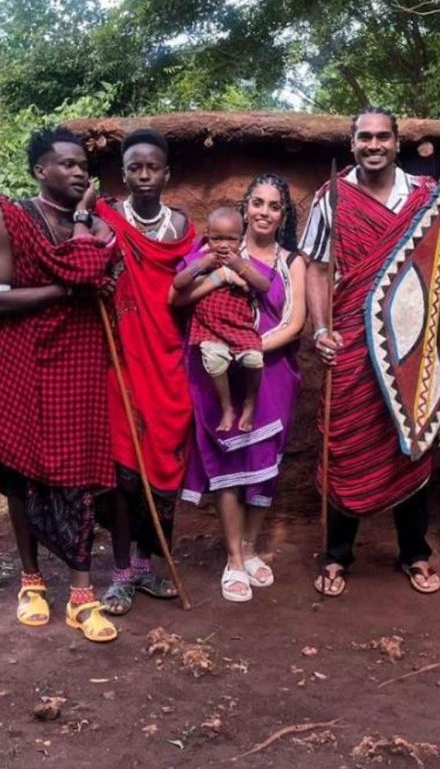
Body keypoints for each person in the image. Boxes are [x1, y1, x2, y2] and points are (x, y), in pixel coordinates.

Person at [0, 126, 121, 643]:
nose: (78, 172)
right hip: (20, 362)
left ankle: (80, 593)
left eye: (82, 166)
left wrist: (80, 230)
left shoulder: (94, 225)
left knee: (78, 472)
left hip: (77, 360)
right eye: (66, 164)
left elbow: (101, 274)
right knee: (22, 473)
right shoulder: (12, 215)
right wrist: (65, 286)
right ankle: (30, 581)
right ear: (40, 171)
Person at [305, 107, 440, 597]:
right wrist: (320, 328)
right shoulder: (332, 197)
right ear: (352, 143)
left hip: (412, 342)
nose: (374, 145)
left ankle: (415, 553)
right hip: (350, 339)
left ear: (397, 142)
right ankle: (337, 555)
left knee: (411, 439)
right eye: (364, 137)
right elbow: (317, 268)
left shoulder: (427, 197)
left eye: (383, 136)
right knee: (346, 438)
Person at [179, 175, 307, 603]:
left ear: (283, 214)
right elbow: (178, 298)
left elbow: (294, 323)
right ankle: (233, 559)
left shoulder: (292, 263)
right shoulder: (219, 251)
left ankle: (251, 548)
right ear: (245, 206)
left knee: (264, 464)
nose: (264, 212)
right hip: (219, 376)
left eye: (274, 205)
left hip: (270, 374)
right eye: (257, 203)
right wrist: (217, 280)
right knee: (227, 463)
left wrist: (246, 346)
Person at [94, 129, 193, 617]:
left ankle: (149, 564)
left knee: (165, 469)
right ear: (124, 173)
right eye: (135, 167)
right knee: (122, 475)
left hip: (170, 364)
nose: (144, 175)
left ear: (167, 173)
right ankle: (121, 574)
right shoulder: (106, 221)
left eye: (153, 167)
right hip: (121, 362)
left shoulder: (185, 231)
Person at [173, 206, 271, 433]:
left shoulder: (243, 261)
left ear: (241, 237)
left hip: (240, 326)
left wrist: (238, 267)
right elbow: (178, 285)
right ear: (207, 235)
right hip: (208, 327)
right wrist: (202, 266)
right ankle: (227, 408)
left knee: (254, 360)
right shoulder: (201, 259)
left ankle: (250, 400)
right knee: (215, 364)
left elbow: (264, 285)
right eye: (217, 238)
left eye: (231, 239)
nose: (224, 245)